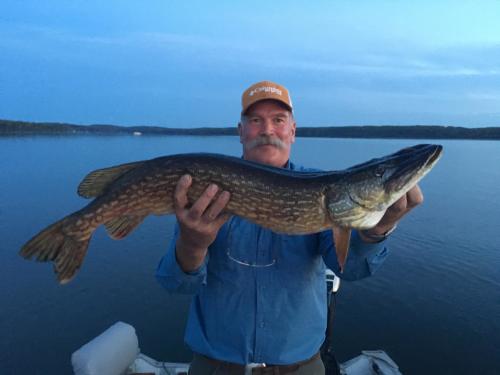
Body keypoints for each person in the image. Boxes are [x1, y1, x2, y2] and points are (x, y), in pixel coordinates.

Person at [156, 81, 423, 374]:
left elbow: (352, 269)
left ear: (293, 131)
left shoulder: (324, 192)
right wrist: (192, 244)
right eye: (256, 121)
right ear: (241, 132)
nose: (267, 130)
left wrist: (378, 229)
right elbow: (175, 283)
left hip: (300, 368)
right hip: (216, 366)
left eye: (278, 120)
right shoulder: (208, 187)